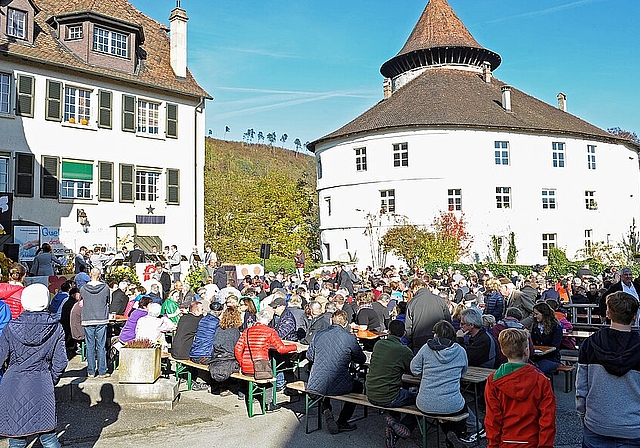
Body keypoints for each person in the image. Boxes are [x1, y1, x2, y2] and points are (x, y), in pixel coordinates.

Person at [0, 283, 67, 448]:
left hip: (13, 383)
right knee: (49, 438)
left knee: (16, 439)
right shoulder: (56, 328)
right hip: (42, 382)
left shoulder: (11, 327)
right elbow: (61, 361)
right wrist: (50, 379)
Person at [577, 291, 640, 446]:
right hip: (632, 426)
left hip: (597, 422)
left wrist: (583, 414)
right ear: (635, 316)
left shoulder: (590, 344)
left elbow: (581, 387)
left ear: (608, 313)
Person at [410, 320, 478, 447]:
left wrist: (427, 374)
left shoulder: (426, 348)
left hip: (425, 403)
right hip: (451, 404)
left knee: (441, 408)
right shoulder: (460, 350)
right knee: (459, 405)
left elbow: (414, 369)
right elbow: (463, 374)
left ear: (436, 334)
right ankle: (457, 433)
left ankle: (450, 434)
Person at [484, 328, 556, 448]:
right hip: (533, 441)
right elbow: (548, 419)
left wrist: (493, 445)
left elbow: (492, 419)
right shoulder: (541, 380)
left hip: (505, 442)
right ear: (526, 351)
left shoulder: (493, 381)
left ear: (502, 351)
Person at [306, 309, 365, 433]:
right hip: (338, 382)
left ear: (331, 321)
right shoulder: (349, 338)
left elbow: (309, 356)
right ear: (345, 323)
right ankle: (342, 421)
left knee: (326, 384)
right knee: (358, 386)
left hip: (316, 383)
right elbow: (361, 359)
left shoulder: (319, 334)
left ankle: (326, 407)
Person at [234, 309, 297, 412]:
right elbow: (281, 349)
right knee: (270, 380)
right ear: (267, 320)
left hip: (246, 368)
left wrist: (242, 362)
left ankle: (253, 396)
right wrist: (294, 347)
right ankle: (268, 404)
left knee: (257, 377)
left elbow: (238, 348)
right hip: (260, 369)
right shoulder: (270, 331)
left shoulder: (247, 331)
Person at [366, 320, 417, 447]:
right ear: (404, 333)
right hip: (389, 397)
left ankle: (393, 421)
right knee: (421, 401)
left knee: (397, 390)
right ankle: (403, 427)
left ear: (388, 332)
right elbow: (413, 371)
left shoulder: (378, 344)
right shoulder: (403, 350)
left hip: (370, 393)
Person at [405, 278, 451, 353]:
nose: (412, 293)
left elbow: (408, 327)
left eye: (412, 290)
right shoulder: (439, 300)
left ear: (416, 287)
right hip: (439, 338)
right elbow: (448, 321)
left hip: (419, 341)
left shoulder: (412, 303)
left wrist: (410, 342)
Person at [80, 268, 111, 378]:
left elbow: (81, 301)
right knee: (101, 346)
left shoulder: (83, 288)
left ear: (90, 275)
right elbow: (108, 301)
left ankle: (91, 371)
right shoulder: (105, 288)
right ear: (99, 275)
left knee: (90, 346)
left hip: (88, 318)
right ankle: (102, 371)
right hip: (101, 318)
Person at [208, 304, 241, 395]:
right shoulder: (235, 331)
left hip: (217, 359)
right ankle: (227, 387)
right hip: (228, 361)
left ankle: (217, 387)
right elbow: (237, 349)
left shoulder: (219, 329)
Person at [530, 302, 562, 374]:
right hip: (536, 357)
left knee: (537, 371)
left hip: (551, 358)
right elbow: (532, 342)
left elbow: (555, 346)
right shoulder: (535, 326)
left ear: (544, 314)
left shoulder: (556, 328)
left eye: (537, 314)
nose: (535, 316)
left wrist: (543, 351)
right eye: (534, 314)